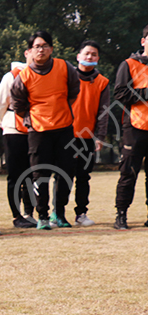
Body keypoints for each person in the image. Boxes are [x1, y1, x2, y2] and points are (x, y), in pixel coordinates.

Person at [11, 30, 80, 230]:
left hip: (64, 128)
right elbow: (18, 104)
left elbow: (74, 92)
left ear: (51, 48)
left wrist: (60, 110)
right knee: (40, 175)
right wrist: (31, 119)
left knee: (66, 172)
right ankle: (42, 215)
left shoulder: (65, 67)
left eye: (44, 46)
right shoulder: (23, 76)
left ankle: (59, 213)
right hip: (38, 131)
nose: (40, 50)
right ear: (29, 51)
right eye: (36, 47)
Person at [0, 47, 37, 228]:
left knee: (33, 174)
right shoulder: (11, 76)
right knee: (15, 175)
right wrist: (4, 122)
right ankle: (16, 215)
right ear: (27, 53)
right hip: (13, 129)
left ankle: (30, 212)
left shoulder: (43, 75)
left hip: (36, 129)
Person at [68, 40, 110, 227]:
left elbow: (104, 112)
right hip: (65, 133)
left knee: (84, 177)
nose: (89, 57)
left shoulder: (102, 82)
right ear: (78, 56)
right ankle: (57, 213)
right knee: (62, 176)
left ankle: (81, 213)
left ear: (97, 58)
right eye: (86, 53)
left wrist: (100, 137)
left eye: (93, 54)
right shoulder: (67, 77)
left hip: (87, 137)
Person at [111, 25, 148, 230]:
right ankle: (121, 215)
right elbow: (120, 93)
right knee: (129, 172)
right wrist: (145, 94)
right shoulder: (129, 64)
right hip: (135, 126)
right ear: (143, 41)